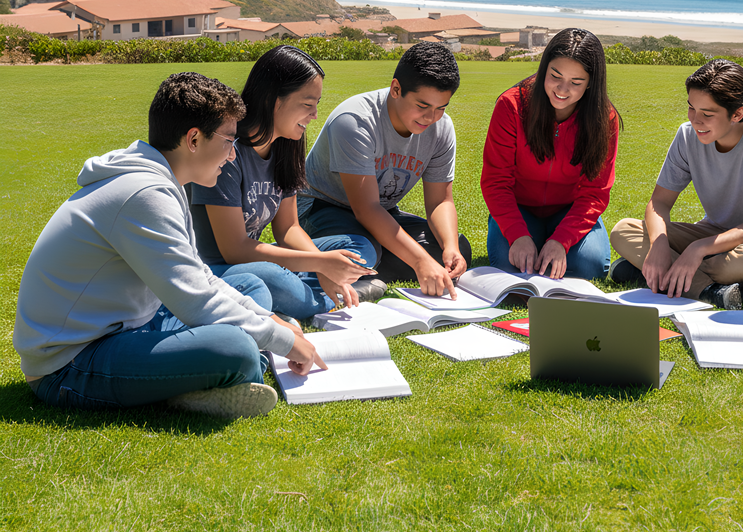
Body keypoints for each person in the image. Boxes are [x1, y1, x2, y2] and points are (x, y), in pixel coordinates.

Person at [13, 72, 327, 419]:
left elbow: (200, 277)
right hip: (70, 362)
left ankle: (195, 379)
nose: (232, 156)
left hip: (131, 324)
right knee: (236, 348)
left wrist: (270, 321)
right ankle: (194, 384)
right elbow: (195, 301)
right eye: (228, 141)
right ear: (193, 139)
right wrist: (283, 340)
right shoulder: (144, 194)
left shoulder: (160, 182)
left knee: (249, 286)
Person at [189, 45, 382, 320]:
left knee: (359, 248)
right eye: (308, 104)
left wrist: (322, 264)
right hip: (220, 269)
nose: (315, 115)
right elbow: (234, 250)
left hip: (255, 259)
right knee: (270, 278)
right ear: (273, 100)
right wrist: (320, 264)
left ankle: (309, 290)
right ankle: (324, 299)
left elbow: (288, 228)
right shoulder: (227, 153)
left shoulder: (285, 147)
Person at [609, 59, 743, 308]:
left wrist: (697, 250)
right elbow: (659, 202)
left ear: (737, 114)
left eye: (707, 114)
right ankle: (710, 290)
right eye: (691, 108)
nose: (695, 120)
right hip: (710, 233)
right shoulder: (686, 135)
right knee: (623, 230)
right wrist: (659, 245)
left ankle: (650, 273)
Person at [299, 42, 471, 299]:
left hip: (382, 212)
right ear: (396, 89)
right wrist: (419, 260)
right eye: (422, 106)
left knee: (454, 250)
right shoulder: (355, 121)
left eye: (441, 108)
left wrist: (451, 248)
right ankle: (323, 262)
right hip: (323, 208)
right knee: (364, 248)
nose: (431, 118)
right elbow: (366, 209)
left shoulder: (442, 128)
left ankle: (366, 270)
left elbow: (440, 201)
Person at [481, 28, 620, 280]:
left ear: (591, 82)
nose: (562, 89)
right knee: (510, 267)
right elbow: (496, 181)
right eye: (555, 76)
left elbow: (595, 192)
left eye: (576, 82)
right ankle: (530, 238)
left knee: (589, 266)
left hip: (569, 210)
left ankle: (550, 242)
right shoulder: (511, 106)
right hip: (520, 207)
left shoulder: (605, 118)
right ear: (544, 68)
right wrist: (517, 235)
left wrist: (562, 240)